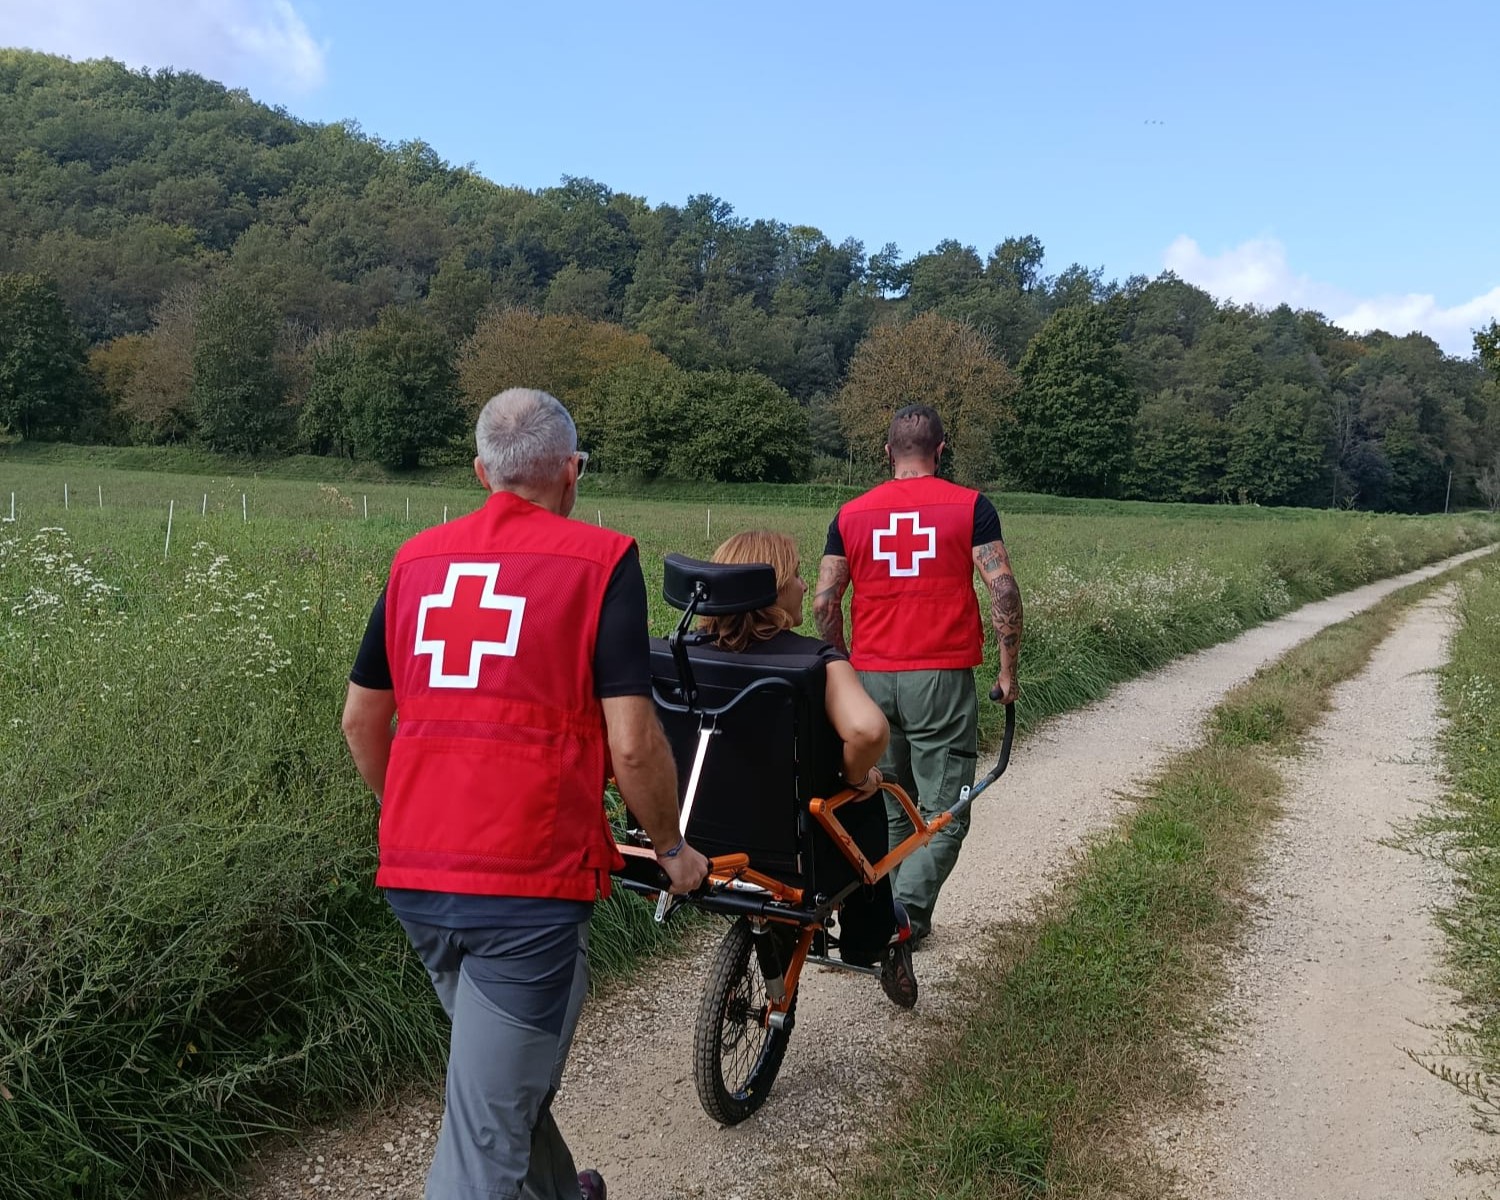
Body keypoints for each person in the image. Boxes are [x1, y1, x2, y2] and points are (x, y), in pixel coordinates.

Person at [341, 387, 709, 1200]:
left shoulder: (413, 561)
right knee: (485, 1135)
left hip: (416, 877)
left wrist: (409, 814)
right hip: (524, 892)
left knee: (499, 1087)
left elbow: (362, 720)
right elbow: (633, 741)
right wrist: (675, 850)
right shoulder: (602, 560)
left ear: (482, 472)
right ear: (572, 472)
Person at [812, 403, 1022, 947]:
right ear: (941, 450)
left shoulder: (850, 513)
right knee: (946, 808)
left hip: (869, 680)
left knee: (887, 803)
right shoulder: (971, 506)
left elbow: (823, 603)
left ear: (887, 453)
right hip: (941, 679)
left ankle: (881, 918)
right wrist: (1007, 672)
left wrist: (838, 673)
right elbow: (1002, 590)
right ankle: (902, 918)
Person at [699, 530, 918, 1007]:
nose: (803, 585)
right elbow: (867, 732)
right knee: (864, 803)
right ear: (773, 590)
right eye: (796, 575)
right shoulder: (816, 663)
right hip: (797, 842)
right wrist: (855, 777)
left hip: (702, 830)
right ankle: (868, 936)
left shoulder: (683, 656)